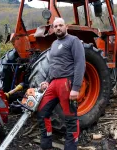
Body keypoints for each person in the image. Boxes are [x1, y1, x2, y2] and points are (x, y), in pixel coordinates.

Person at [37, 17, 86, 150]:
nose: (58, 28)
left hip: (67, 82)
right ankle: (46, 145)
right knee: (42, 112)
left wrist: (76, 88)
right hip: (53, 84)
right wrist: (47, 81)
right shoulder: (53, 44)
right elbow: (53, 66)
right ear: (53, 29)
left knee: (70, 118)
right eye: (56, 26)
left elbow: (80, 64)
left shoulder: (74, 41)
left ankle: (71, 147)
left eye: (61, 25)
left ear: (66, 27)